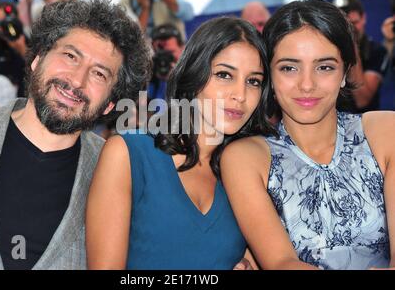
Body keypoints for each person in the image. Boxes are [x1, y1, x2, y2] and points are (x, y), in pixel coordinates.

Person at [0, 0, 151, 270]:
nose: (77, 80)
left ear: (110, 104)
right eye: (70, 56)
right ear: (37, 58)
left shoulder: (118, 173)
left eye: (99, 74)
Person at [86, 16, 276, 269]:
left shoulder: (254, 167)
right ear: (194, 74)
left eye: (253, 81)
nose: (239, 95)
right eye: (224, 75)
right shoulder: (129, 153)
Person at [222, 0, 394, 270]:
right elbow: (281, 263)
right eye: (289, 68)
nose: (306, 84)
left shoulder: (384, 130)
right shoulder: (247, 157)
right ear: (270, 76)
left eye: (324, 67)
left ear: (344, 73)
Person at [337, 0, 387, 113]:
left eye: (354, 23)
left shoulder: (376, 50)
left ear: (364, 18)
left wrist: (351, 46)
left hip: (365, 123)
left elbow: (362, 101)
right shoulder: (328, 50)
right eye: (345, 25)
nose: (351, 29)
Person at [148, 23, 184, 100]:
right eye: (160, 54)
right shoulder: (145, 77)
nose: (164, 59)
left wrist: (177, 79)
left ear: (182, 49)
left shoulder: (195, 75)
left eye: (170, 53)